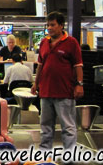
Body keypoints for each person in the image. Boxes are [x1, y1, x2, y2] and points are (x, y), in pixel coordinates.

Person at [31, 11, 83, 150]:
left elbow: (78, 65)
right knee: (45, 127)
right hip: (46, 92)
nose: (49, 28)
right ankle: (44, 155)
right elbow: (40, 65)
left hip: (64, 92)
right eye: (48, 25)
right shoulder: (44, 42)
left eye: (52, 25)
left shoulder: (71, 42)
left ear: (61, 26)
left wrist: (79, 84)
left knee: (68, 127)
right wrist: (36, 83)